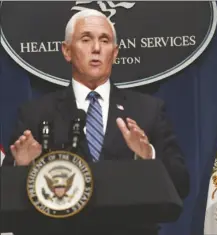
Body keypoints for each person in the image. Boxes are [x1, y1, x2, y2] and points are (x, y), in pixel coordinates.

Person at [3, 9, 189, 235]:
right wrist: (21, 168)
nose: (97, 48)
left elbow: (181, 183)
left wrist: (148, 155)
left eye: (105, 40)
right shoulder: (36, 113)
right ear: (67, 51)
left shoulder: (147, 110)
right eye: (85, 39)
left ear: (115, 52)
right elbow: (7, 196)